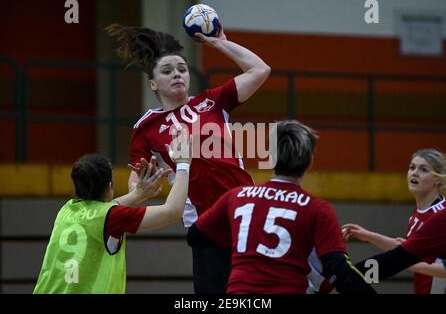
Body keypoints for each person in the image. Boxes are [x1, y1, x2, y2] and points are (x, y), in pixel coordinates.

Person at [106, 23, 270, 294]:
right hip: (205, 223)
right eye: (167, 71)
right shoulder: (146, 127)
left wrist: (219, 43)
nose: (177, 75)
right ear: (153, 83)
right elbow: (137, 179)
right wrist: (140, 190)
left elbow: (260, 70)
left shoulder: (212, 102)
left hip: (245, 214)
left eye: (182, 69)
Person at [187, 120, 376, 294]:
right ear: (310, 161)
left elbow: (195, 236)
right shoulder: (317, 209)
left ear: (269, 158)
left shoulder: (236, 197)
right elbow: (339, 269)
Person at [33, 133, 192, 294]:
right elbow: (173, 212)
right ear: (110, 186)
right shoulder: (112, 217)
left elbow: (106, 208)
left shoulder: (66, 210)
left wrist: (137, 194)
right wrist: (183, 164)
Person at [342, 149, 446, 293]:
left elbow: (403, 257)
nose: (414, 173)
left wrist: (406, 263)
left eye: (423, 169)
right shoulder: (419, 212)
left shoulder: (440, 215)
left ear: (438, 179)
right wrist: (367, 235)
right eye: (412, 167)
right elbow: (405, 251)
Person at [354, 204, 446, 287]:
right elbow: (405, 251)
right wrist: (369, 236)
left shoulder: (440, 215)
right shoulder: (424, 211)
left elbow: (400, 257)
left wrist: (349, 275)